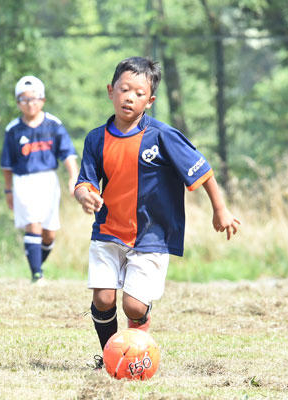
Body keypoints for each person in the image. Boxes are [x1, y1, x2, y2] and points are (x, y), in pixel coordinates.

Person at [74, 57, 240, 368]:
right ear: (111, 91)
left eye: (139, 93)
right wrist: (85, 195)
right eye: (124, 89)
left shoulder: (162, 136)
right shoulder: (96, 138)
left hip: (151, 235)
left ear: (149, 101)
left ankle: (139, 341)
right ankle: (113, 358)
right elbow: (85, 181)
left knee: (134, 306)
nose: (130, 97)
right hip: (108, 231)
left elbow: (201, 169)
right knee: (103, 299)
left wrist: (221, 209)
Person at [1, 76, 78, 284]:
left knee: (49, 234)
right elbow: (7, 166)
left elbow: (68, 154)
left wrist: (73, 178)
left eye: (34, 99)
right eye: (24, 99)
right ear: (18, 102)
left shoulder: (53, 124)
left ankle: (36, 265)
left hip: (48, 181)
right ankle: (37, 275)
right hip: (24, 180)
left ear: (42, 100)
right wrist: (8, 191)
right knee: (32, 224)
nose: (30, 103)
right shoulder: (13, 130)